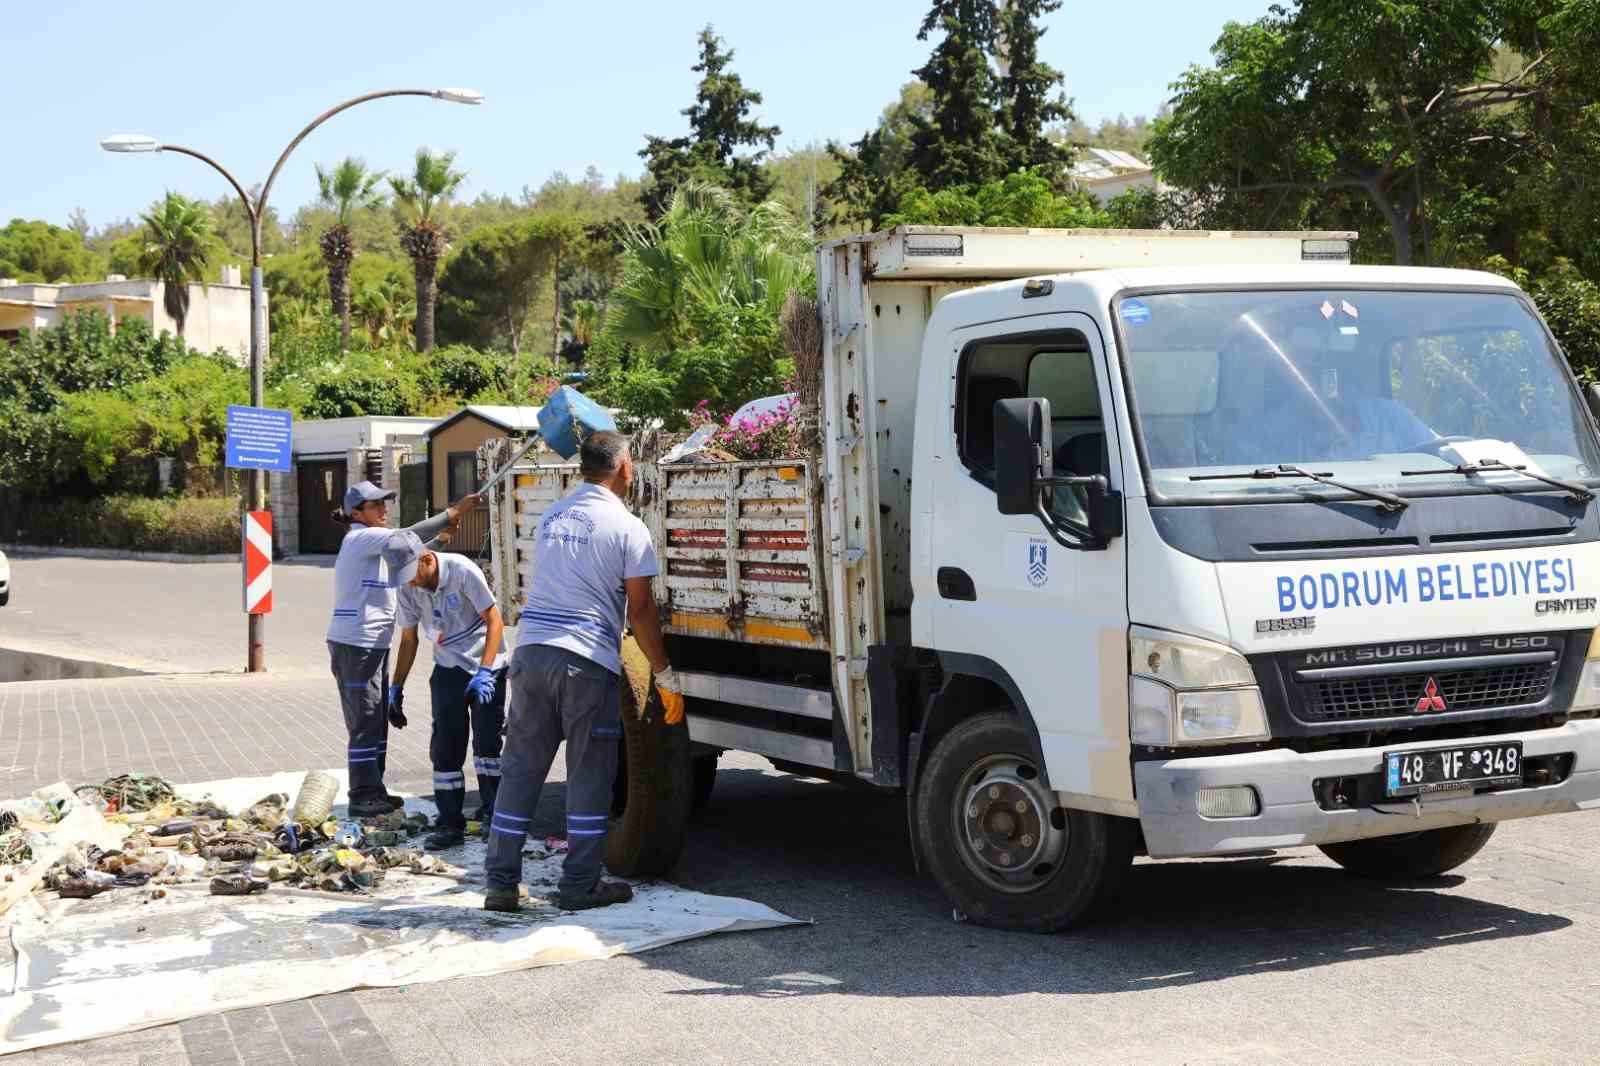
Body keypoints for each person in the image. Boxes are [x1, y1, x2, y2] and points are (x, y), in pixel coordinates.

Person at [483, 431, 685, 913]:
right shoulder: (628, 527)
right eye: (631, 463)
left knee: (521, 772)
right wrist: (664, 674)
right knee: (589, 774)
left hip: (530, 653)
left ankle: (501, 884)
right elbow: (639, 611)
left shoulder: (555, 514)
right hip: (584, 660)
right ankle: (579, 885)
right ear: (622, 468)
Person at [326, 481, 479, 818]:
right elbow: (407, 537)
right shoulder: (360, 538)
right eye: (375, 506)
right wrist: (452, 512)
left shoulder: (373, 544)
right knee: (366, 720)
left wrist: (439, 542)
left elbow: (406, 557)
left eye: (385, 504)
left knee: (376, 719)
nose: (384, 511)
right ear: (356, 513)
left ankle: (374, 790)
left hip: (371, 644)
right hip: (356, 645)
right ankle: (363, 794)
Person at [389, 534, 509, 849]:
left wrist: (486, 671)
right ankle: (450, 824)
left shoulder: (462, 571)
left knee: (487, 747)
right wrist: (396, 686)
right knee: (445, 748)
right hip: (448, 669)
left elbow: (495, 621)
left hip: (487, 665)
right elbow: (408, 640)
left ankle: (495, 818)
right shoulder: (407, 587)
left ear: (427, 559)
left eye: (413, 575)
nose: (410, 584)